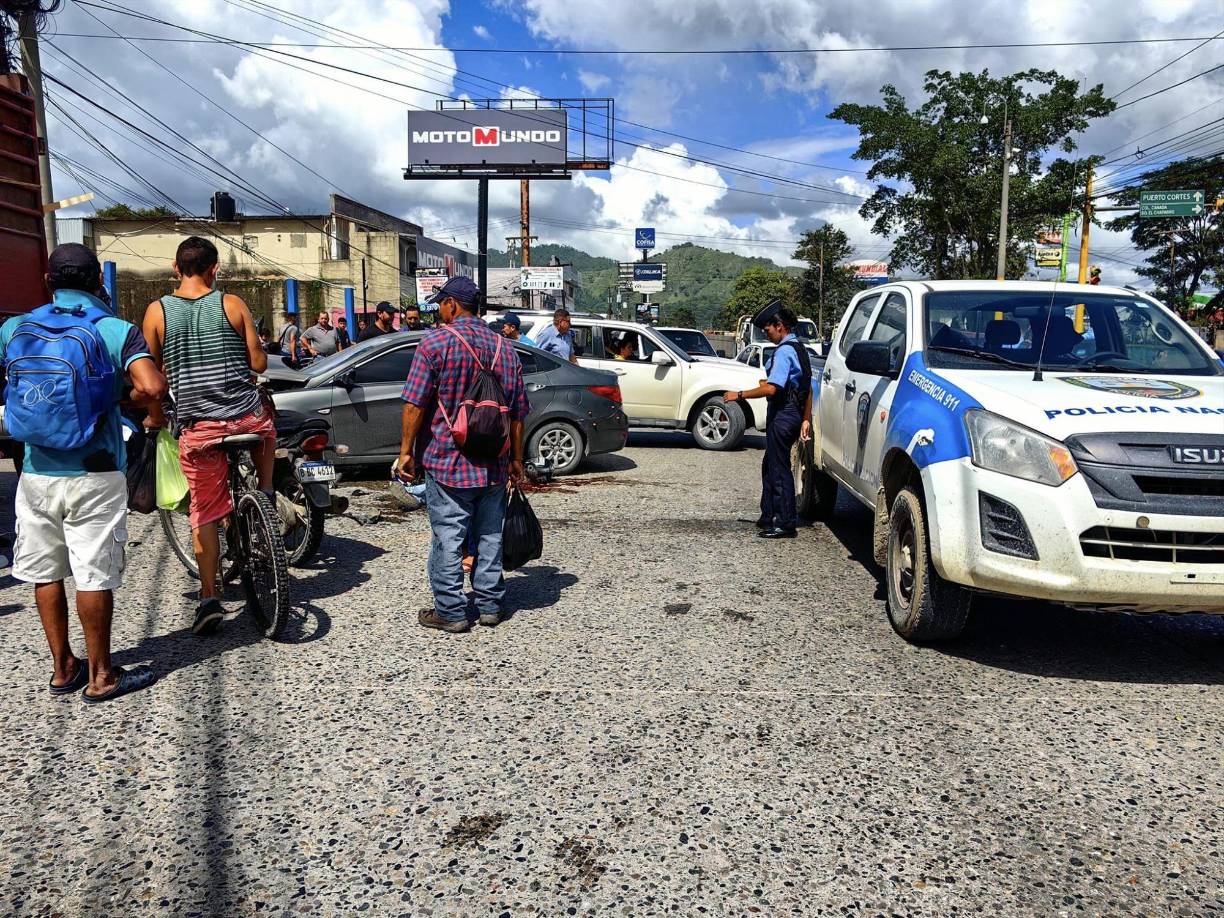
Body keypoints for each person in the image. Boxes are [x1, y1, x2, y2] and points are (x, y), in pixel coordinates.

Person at [1, 243, 166, 702]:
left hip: (34, 470)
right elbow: (151, 385)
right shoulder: (114, 329)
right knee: (93, 574)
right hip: (94, 472)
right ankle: (102, 676)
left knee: (45, 572)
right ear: (99, 282)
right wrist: (136, 406)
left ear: (48, 282)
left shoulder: (15, 327)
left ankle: (62, 669)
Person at [142, 236, 276, 635]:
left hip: (198, 427)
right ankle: (265, 492)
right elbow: (257, 361)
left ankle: (208, 598)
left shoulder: (156, 312)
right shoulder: (232, 304)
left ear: (175, 267)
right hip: (245, 420)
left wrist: (154, 418)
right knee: (268, 423)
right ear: (214, 269)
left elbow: (150, 379)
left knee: (205, 512)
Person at [396, 276, 530, 634]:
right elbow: (518, 412)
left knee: (448, 537)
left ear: (453, 305)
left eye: (441, 303)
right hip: (495, 462)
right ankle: (489, 605)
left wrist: (406, 452)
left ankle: (452, 611)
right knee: (489, 535)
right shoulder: (506, 348)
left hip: (447, 459)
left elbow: (414, 402)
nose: (439, 310)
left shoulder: (435, 342)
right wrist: (516, 459)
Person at [723, 300, 812, 539]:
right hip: (793, 412)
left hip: (783, 413)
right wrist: (806, 419)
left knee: (779, 468)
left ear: (780, 326)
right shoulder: (799, 348)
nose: (767, 333)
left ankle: (785, 523)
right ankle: (769, 514)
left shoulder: (784, 351)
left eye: (769, 329)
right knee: (770, 464)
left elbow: (772, 389)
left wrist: (739, 395)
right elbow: (807, 388)